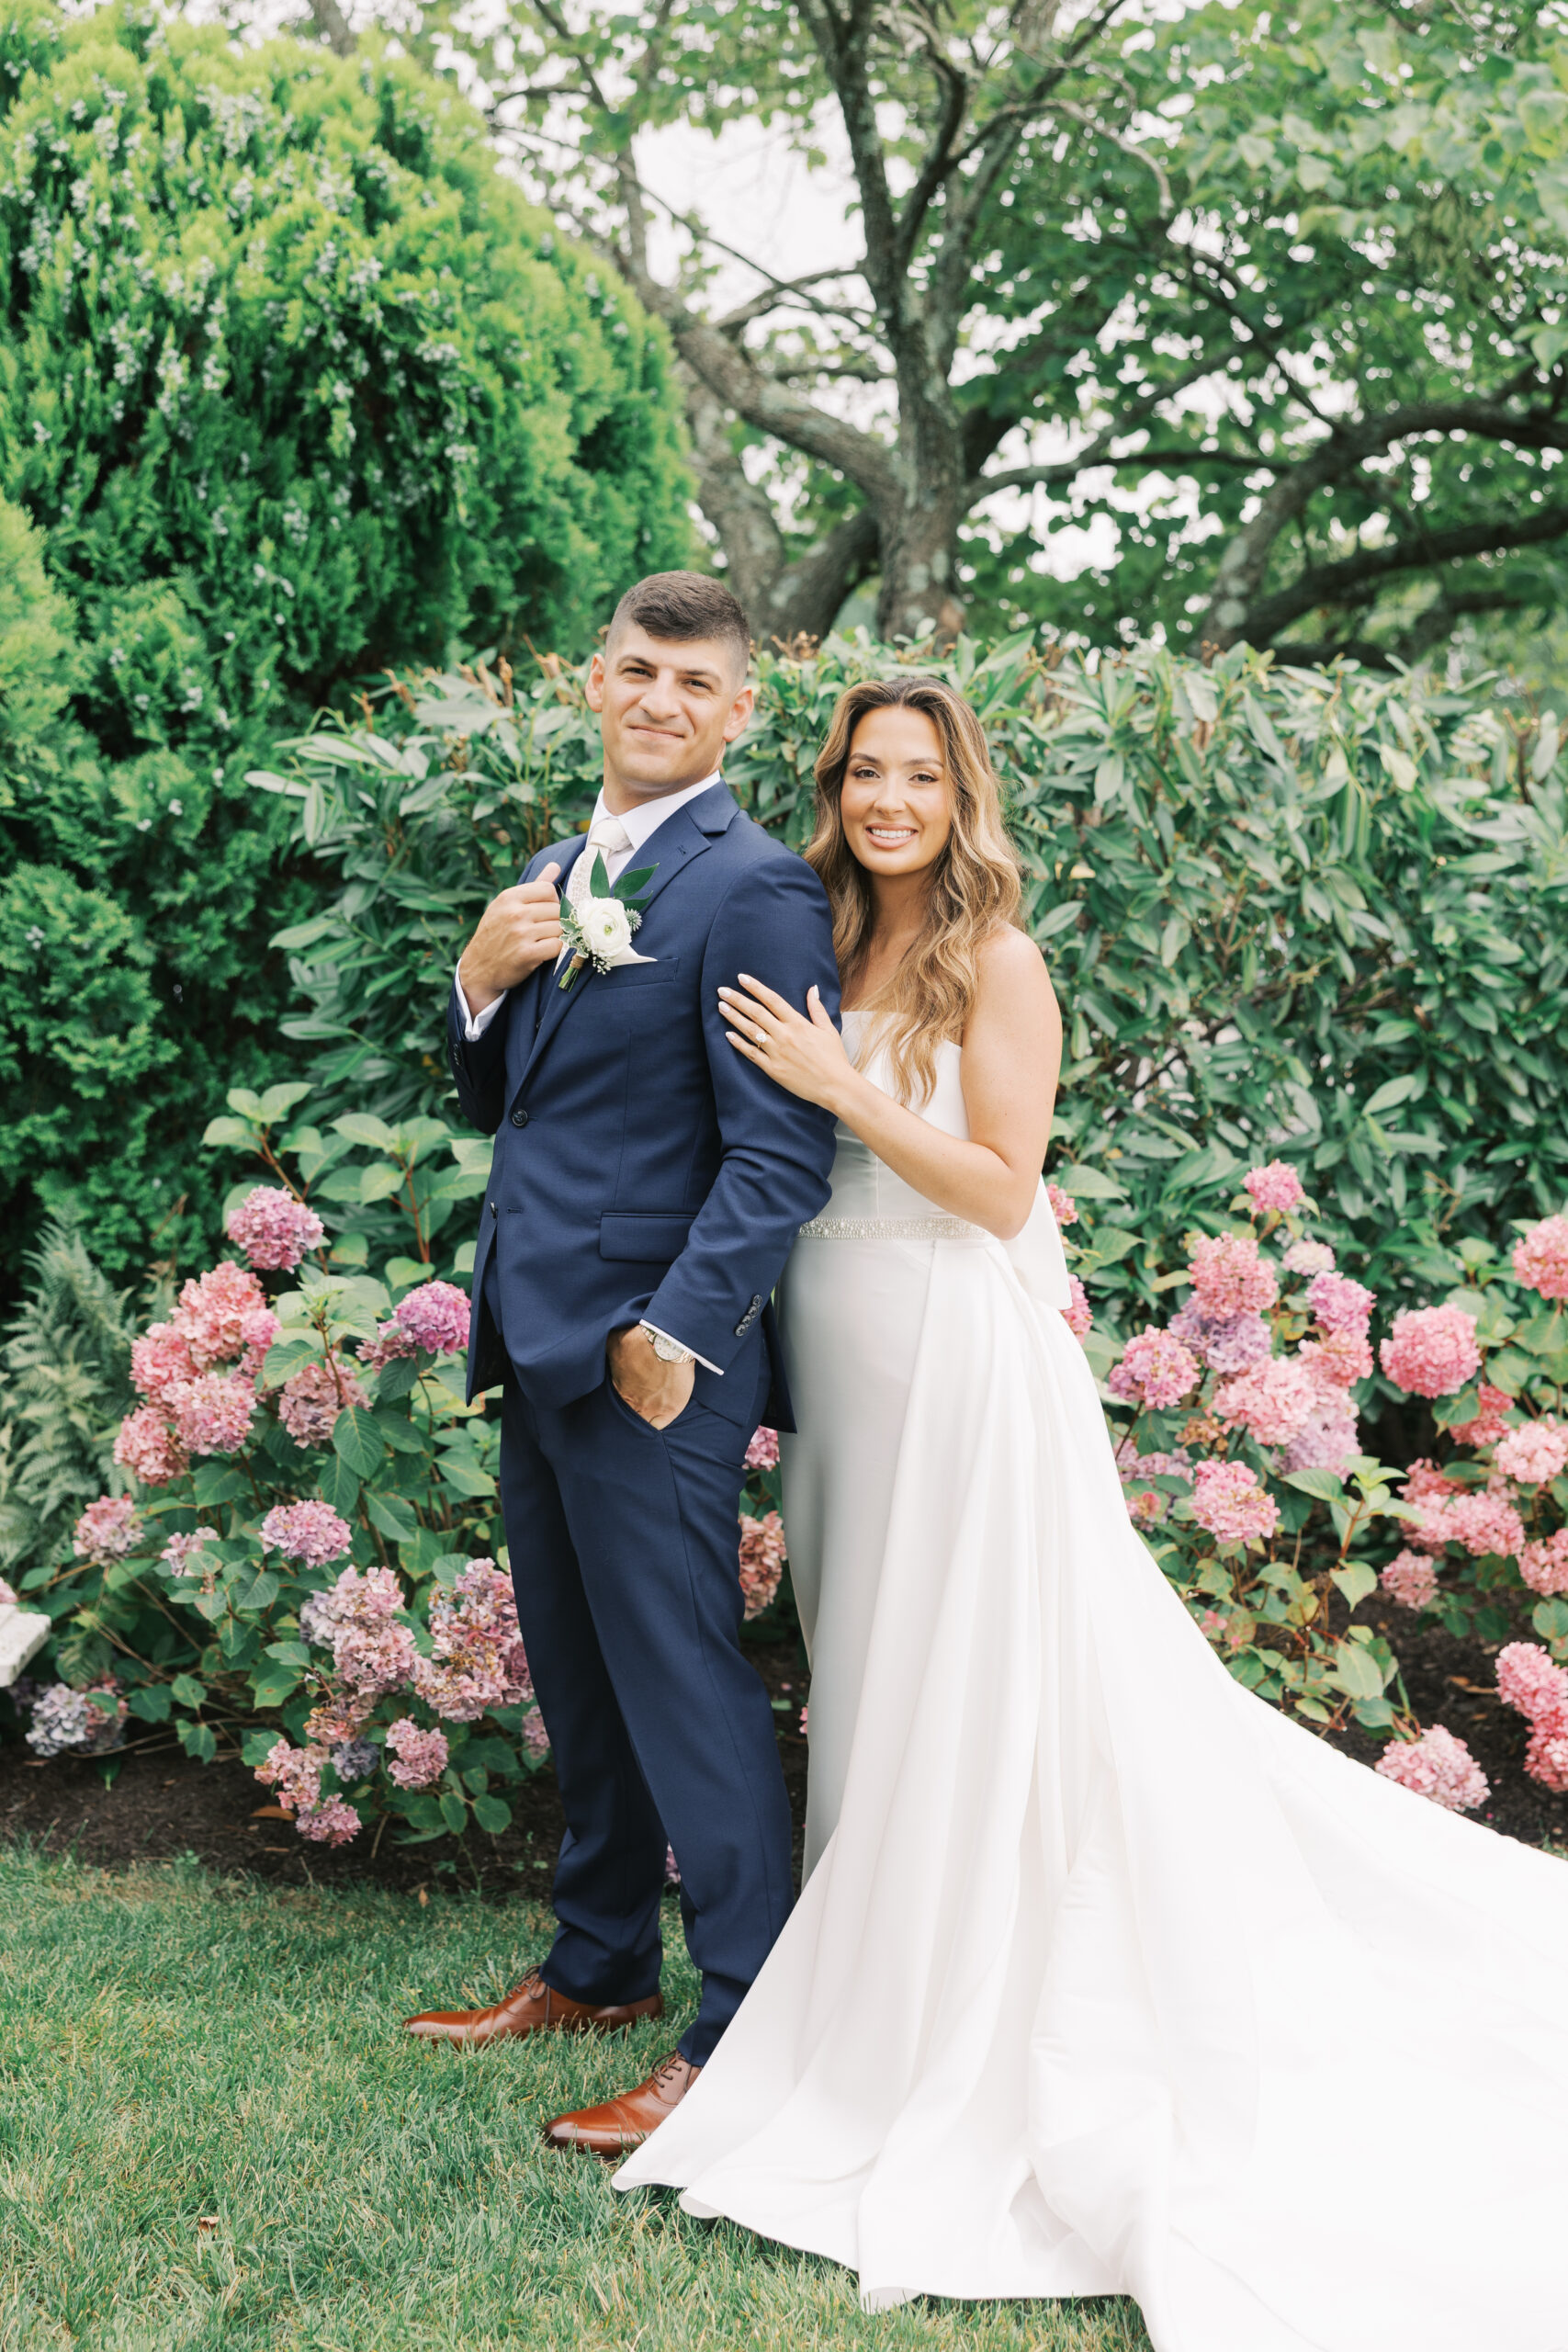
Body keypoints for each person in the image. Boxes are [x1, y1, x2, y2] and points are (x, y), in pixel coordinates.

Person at [616, 674, 1568, 2352]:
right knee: (878, 1679)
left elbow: (1000, 1190)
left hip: (956, 1359)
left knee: (984, 1687)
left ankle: (972, 2013)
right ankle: (884, 1981)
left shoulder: (996, 959)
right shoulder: (806, 931)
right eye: (864, 772)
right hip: (836, 1369)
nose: (889, 800)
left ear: (959, 795)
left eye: (920, 776)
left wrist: (845, 1088)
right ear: (832, 788)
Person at [403, 572, 840, 2156]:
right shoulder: (548, 873)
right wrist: (480, 977)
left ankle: (743, 2028)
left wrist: (675, 1335)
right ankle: (597, 1965)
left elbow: (780, 1155)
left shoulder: (759, 888)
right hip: (538, 1337)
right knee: (579, 1676)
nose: (662, 700)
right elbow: (503, 1103)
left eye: (695, 681)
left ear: (742, 710)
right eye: (639, 670)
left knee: (683, 1682)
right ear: (595, 680)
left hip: (655, 1357)